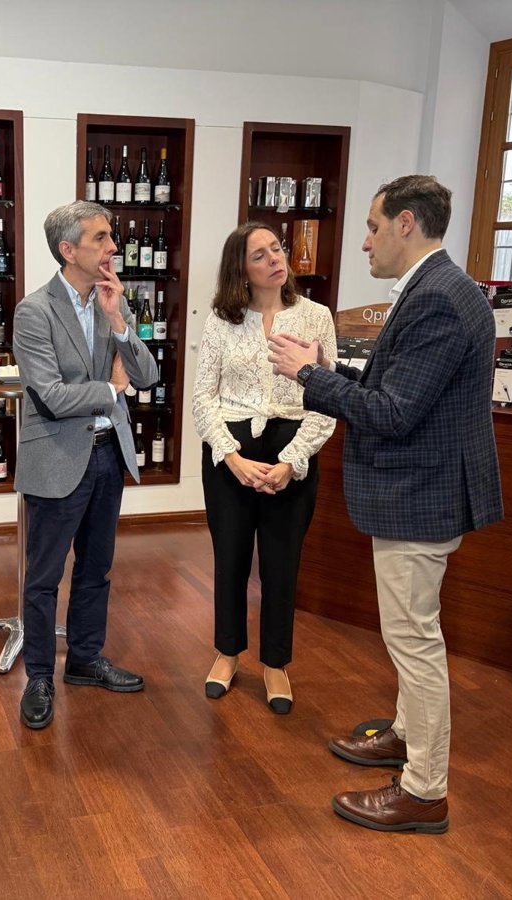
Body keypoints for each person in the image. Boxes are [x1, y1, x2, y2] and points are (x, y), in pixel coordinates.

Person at [268, 175, 503, 834]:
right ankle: (405, 735)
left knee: (414, 641)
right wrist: (326, 369)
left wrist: (307, 375)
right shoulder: (438, 289)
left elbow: (394, 414)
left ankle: (424, 791)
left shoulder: (438, 300)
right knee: (410, 635)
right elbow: (391, 389)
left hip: (420, 496)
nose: (365, 242)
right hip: (420, 491)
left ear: (406, 223)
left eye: (373, 227)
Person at [12, 200, 158, 731]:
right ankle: (39, 677)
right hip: (56, 458)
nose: (113, 247)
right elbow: (50, 396)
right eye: (100, 238)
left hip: (107, 455)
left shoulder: (110, 300)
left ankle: (85, 660)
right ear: (67, 249)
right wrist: (111, 389)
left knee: (97, 569)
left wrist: (119, 322)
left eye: (110, 237)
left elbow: (147, 376)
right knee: (44, 577)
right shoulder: (34, 311)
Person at [192, 223, 336, 713]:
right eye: (260, 254)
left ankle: (276, 663)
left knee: (281, 562)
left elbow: (327, 398)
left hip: (292, 446)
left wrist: (293, 461)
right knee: (229, 558)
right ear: (241, 269)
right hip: (230, 450)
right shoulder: (221, 320)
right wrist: (230, 457)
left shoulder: (316, 316)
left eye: (277, 248)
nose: (276, 258)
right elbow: (203, 398)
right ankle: (227, 652)